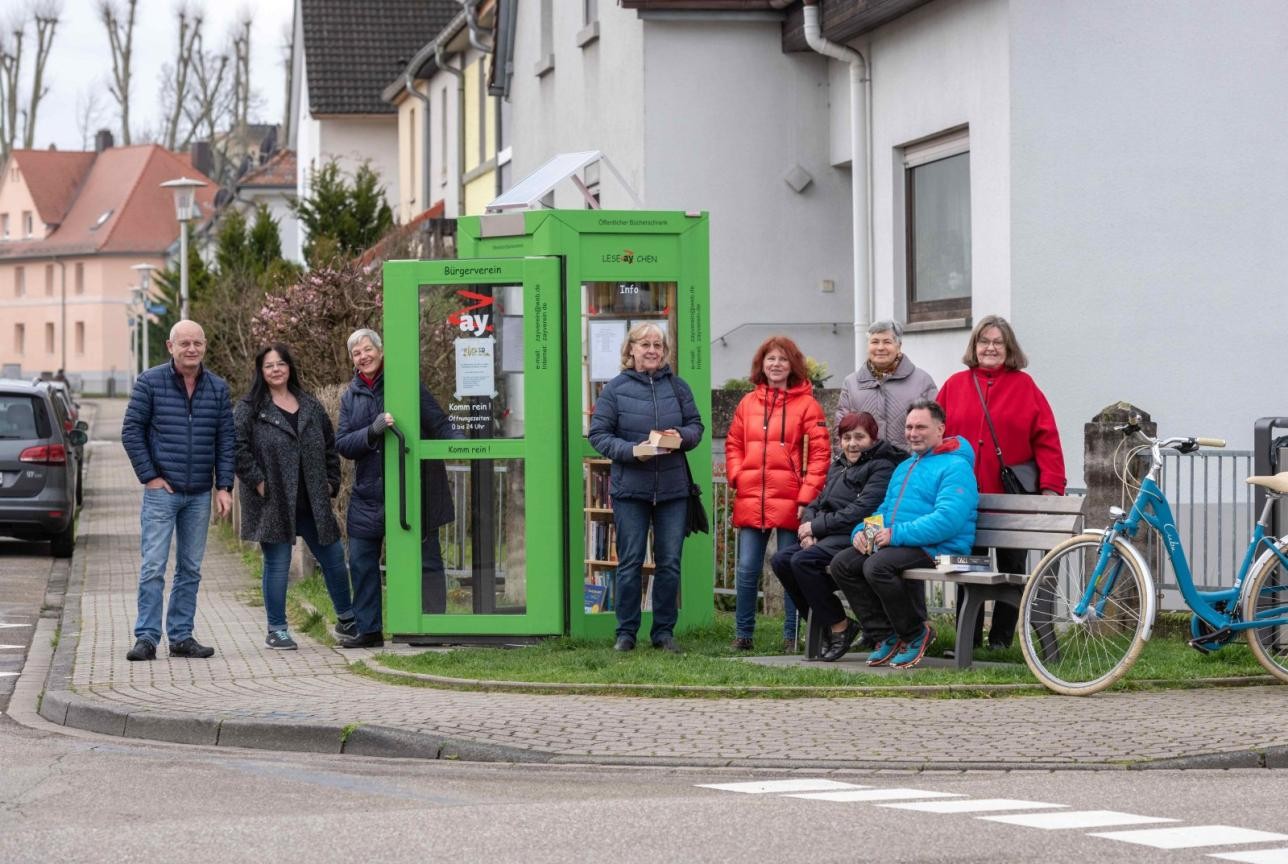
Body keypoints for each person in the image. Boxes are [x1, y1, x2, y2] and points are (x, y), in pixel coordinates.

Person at [936, 314, 1066, 648]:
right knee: (968, 566)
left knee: (1012, 567)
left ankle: (1002, 639)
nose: (990, 348)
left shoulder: (1025, 387)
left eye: (997, 342)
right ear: (974, 346)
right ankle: (970, 640)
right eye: (984, 341)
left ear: (1008, 349)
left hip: (1011, 497)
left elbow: (1046, 438)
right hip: (965, 498)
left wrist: (1051, 486)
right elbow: (937, 437)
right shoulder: (954, 385)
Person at [826, 400, 978, 668]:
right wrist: (862, 532)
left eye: (921, 427)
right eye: (909, 427)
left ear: (940, 429)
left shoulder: (956, 466)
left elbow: (947, 520)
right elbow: (886, 509)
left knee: (877, 566)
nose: (913, 433)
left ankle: (915, 633)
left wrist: (894, 535)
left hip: (941, 547)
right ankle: (885, 634)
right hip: (903, 542)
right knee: (843, 564)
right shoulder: (906, 465)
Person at [335, 328, 460, 648]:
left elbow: (439, 423)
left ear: (381, 350)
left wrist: (463, 449)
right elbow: (344, 444)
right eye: (356, 353)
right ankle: (369, 630)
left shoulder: (406, 384)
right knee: (362, 562)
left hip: (413, 486)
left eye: (367, 349)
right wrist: (372, 430)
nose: (363, 357)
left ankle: (430, 626)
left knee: (426, 559)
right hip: (369, 494)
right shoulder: (350, 396)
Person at [121, 319, 234, 661]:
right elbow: (131, 431)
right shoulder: (150, 382)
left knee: (190, 568)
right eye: (184, 343)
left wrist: (224, 487)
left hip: (199, 493)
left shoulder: (217, 388)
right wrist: (150, 476)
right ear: (170, 347)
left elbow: (226, 440)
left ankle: (182, 637)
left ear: (204, 346)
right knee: (153, 566)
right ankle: (146, 637)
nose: (191, 349)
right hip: (162, 493)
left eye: (197, 343)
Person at [588, 322, 704, 653]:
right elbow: (599, 435)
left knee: (669, 563)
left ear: (664, 352)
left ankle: (663, 633)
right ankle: (625, 633)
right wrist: (631, 451)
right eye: (645, 344)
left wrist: (682, 437)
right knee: (630, 562)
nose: (652, 350)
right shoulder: (615, 390)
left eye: (658, 345)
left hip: (672, 490)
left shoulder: (678, 388)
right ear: (631, 350)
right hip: (631, 490)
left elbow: (696, 426)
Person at [234, 343, 355, 650]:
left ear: (290, 368)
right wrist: (258, 482)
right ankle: (277, 630)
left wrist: (330, 483)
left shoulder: (310, 405)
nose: (276, 369)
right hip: (273, 500)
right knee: (277, 564)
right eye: (269, 365)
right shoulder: (250, 409)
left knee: (334, 559)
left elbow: (330, 446)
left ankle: (347, 619)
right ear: (261, 372)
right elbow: (237, 449)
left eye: (281, 364)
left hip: (313, 499)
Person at [725, 336, 830, 651]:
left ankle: (791, 636)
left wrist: (806, 497)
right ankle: (743, 634)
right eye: (771, 359)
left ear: (793, 365)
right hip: (752, 495)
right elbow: (733, 444)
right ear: (762, 364)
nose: (776, 365)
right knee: (746, 569)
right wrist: (737, 475)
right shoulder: (748, 403)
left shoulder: (808, 405)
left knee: (790, 569)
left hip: (791, 500)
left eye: (783, 359)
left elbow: (820, 455)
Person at [769, 411, 902, 656]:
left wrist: (817, 527)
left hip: (855, 535)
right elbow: (817, 501)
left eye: (859, 437)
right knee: (781, 560)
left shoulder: (881, 466)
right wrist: (808, 530)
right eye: (847, 437)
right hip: (828, 534)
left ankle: (839, 626)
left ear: (873, 439)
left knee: (802, 562)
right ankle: (826, 624)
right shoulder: (839, 465)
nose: (852, 443)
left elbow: (863, 509)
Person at [836, 320, 938, 452]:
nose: (880, 348)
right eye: (875, 342)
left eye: (887, 342)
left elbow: (934, 425)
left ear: (899, 345)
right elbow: (840, 429)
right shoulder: (851, 383)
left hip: (909, 465)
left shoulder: (922, 381)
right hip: (864, 468)